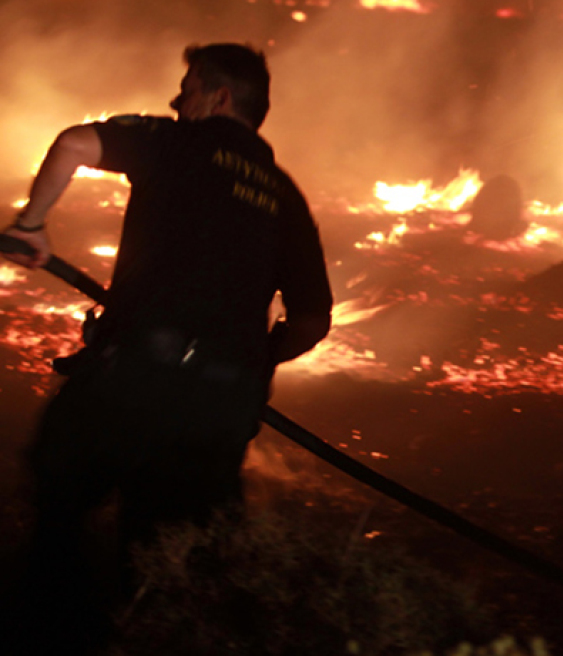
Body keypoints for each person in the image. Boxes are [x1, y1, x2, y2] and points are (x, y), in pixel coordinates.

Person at [0, 43, 333, 652]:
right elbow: (312, 320)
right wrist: (249, 360)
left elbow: (75, 142)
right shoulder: (286, 196)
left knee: (57, 513)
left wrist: (29, 225)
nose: (177, 100)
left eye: (188, 87)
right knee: (173, 563)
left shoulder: (176, 141)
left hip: (132, 382)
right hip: (221, 408)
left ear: (219, 97)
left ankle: (50, 632)